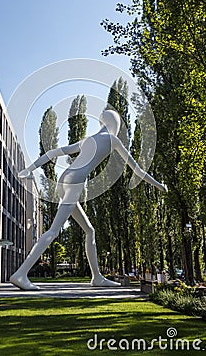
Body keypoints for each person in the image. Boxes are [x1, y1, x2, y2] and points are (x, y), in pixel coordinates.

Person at [10, 110, 167, 290]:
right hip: (76, 181)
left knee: (90, 230)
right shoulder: (113, 140)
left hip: (64, 179)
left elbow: (54, 152)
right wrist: (159, 185)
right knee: (53, 230)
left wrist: (29, 168)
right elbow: (138, 170)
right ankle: (21, 274)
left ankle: (97, 277)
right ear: (115, 125)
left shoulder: (87, 140)